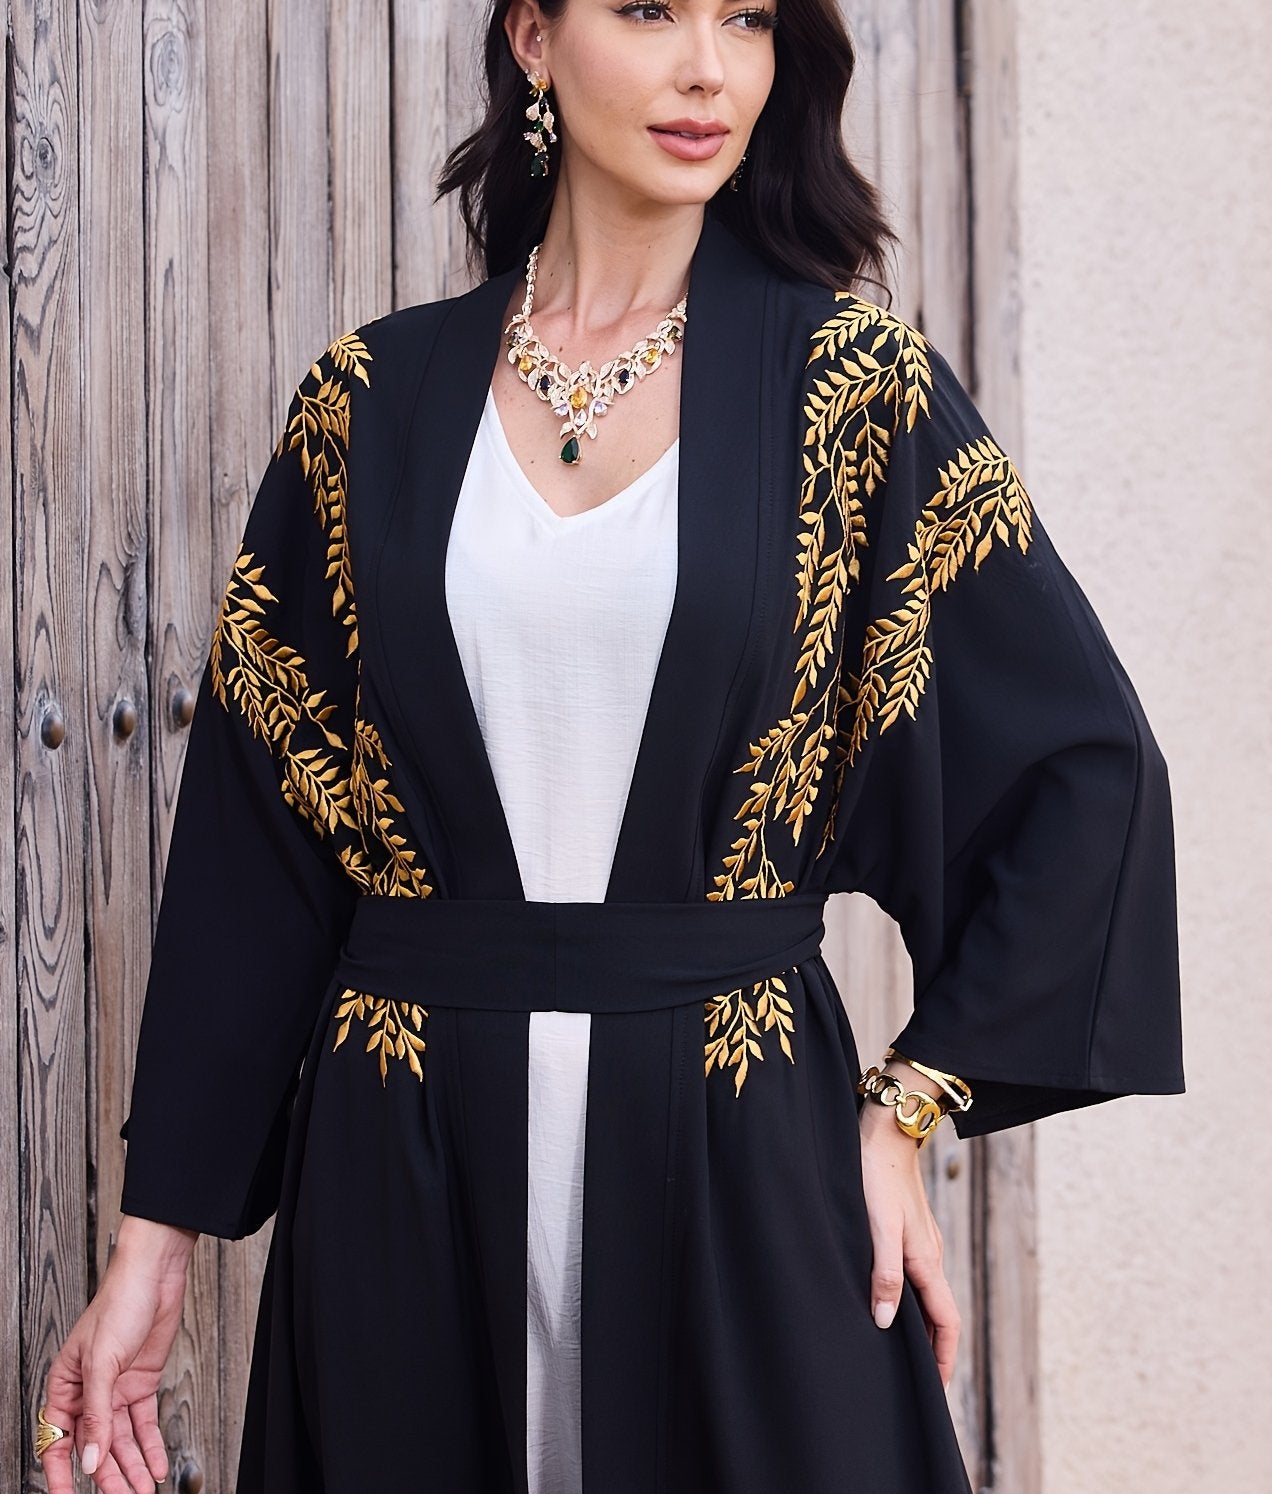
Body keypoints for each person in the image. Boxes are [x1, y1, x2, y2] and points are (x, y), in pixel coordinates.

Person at [39, 1, 1185, 1490]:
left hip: (740, 1159)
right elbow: (254, 851)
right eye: (648, 9)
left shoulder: (853, 394)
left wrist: (909, 1108)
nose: (706, 67)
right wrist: (155, 1248)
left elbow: (1083, 771)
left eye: (746, 19)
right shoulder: (370, 405)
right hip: (407, 1166)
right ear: (533, 36)